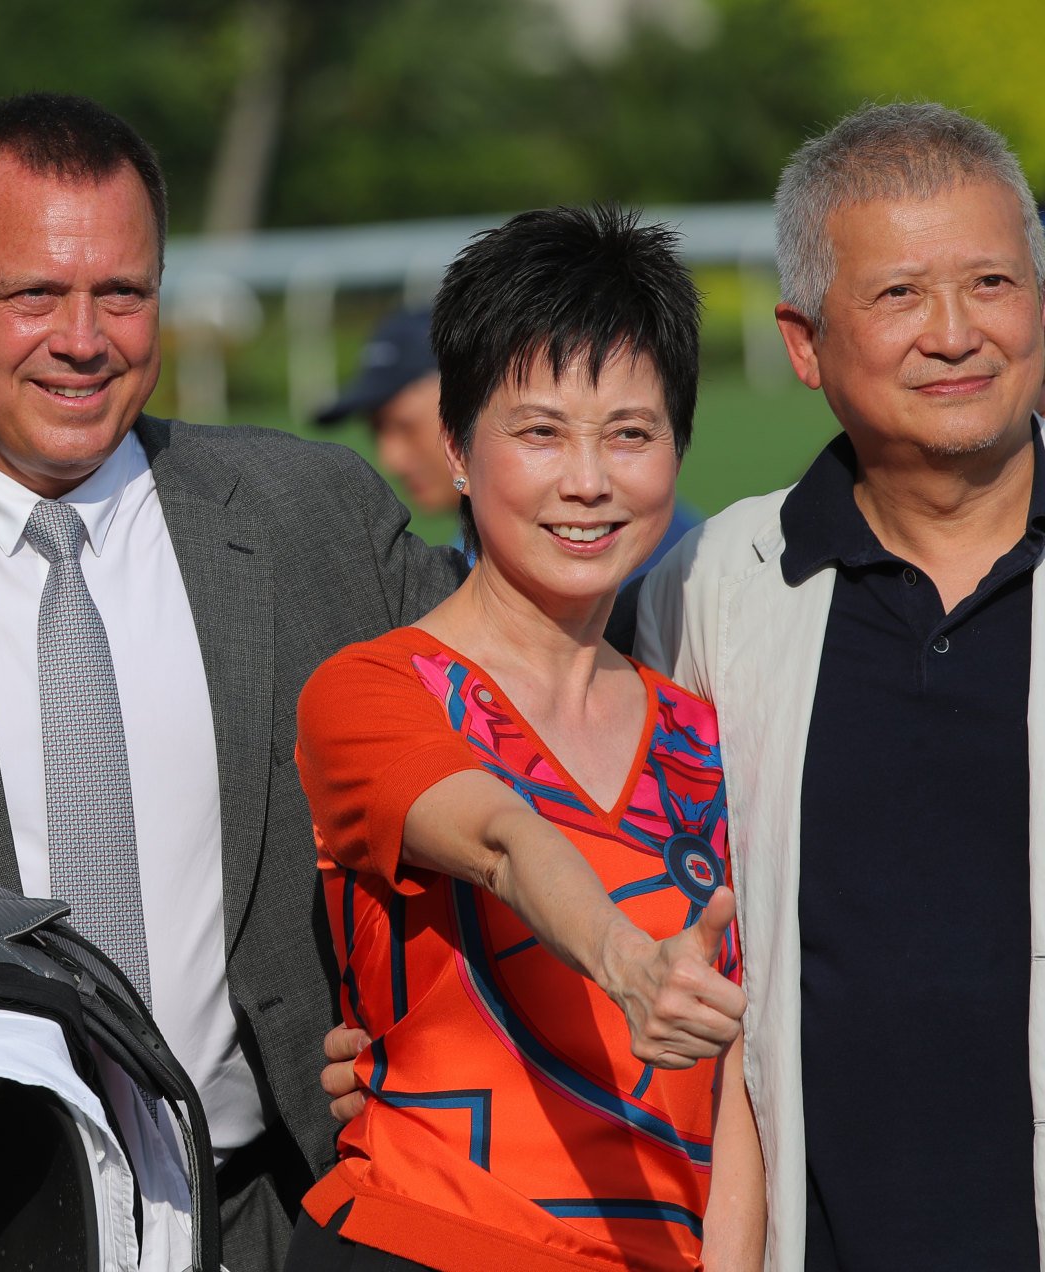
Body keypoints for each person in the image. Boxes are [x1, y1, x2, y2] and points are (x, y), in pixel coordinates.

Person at [0, 92, 465, 1269]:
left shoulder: (312, 518)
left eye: (121, 294)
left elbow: (528, 692)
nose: (82, 338)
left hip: (279, 1214)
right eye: (32, 293)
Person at [294, 204, 758, 1272]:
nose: (587, 481)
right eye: (538, 431)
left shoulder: (710, 736)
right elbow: (500, 833)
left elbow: (745, 1087)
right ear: (456, 450)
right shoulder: (372, 689)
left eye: (629, 434)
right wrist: (624, 962)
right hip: (425, 1241)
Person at [636, 102, 1045, 1269]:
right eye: (899, 295)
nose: (957, 334)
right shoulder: (709, 589)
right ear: (803, 341)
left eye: (991, 284)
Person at [316, 303, 700, 582]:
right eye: (377, 432)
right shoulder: (482, 557)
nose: (391, 459)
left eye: (404, 426)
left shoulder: (654, 559)